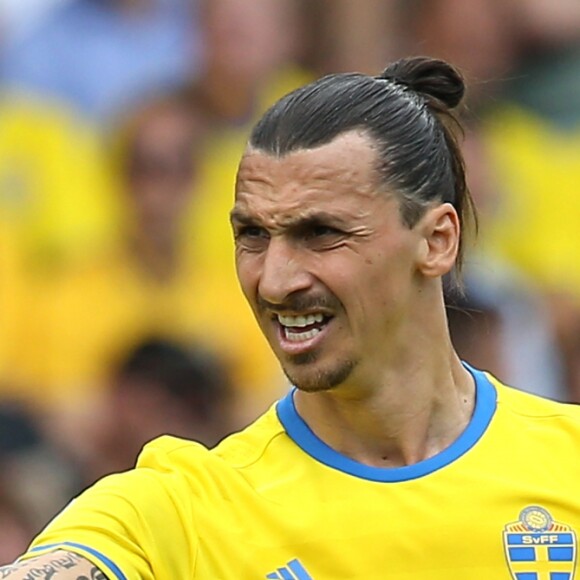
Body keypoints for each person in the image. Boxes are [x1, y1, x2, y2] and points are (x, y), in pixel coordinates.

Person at [2, 56, 579, 579]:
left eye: (320, 233)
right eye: (252, 234)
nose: (275, 280)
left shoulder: (566, 464)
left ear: (436, 241)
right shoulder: (184, 511)